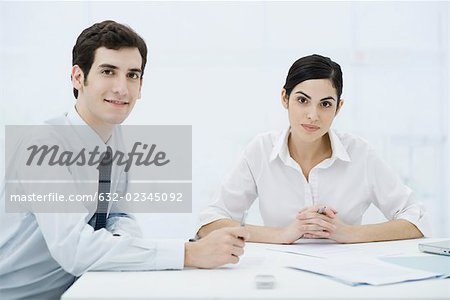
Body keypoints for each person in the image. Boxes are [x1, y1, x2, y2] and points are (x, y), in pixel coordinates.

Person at [0, 20, 249, 300]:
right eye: (108, 71)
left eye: (132, 75)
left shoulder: (115, 139)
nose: (122, 88)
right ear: (78, 78)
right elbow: (75, 251)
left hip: (82, 288)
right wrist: (188, 253)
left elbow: (118, 216)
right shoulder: (43, 144)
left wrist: (120, 246)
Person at [197, 54, 430, 244]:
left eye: (325, 104)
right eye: (302, 100)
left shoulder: (360, 153)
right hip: (278, 273)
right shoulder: (260, 150)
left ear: (338, 108)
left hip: (346, 275)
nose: (313, 115)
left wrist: (348, 233)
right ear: (284, 98)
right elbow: (210, 222)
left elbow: (417, 220)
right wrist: (282, 234)